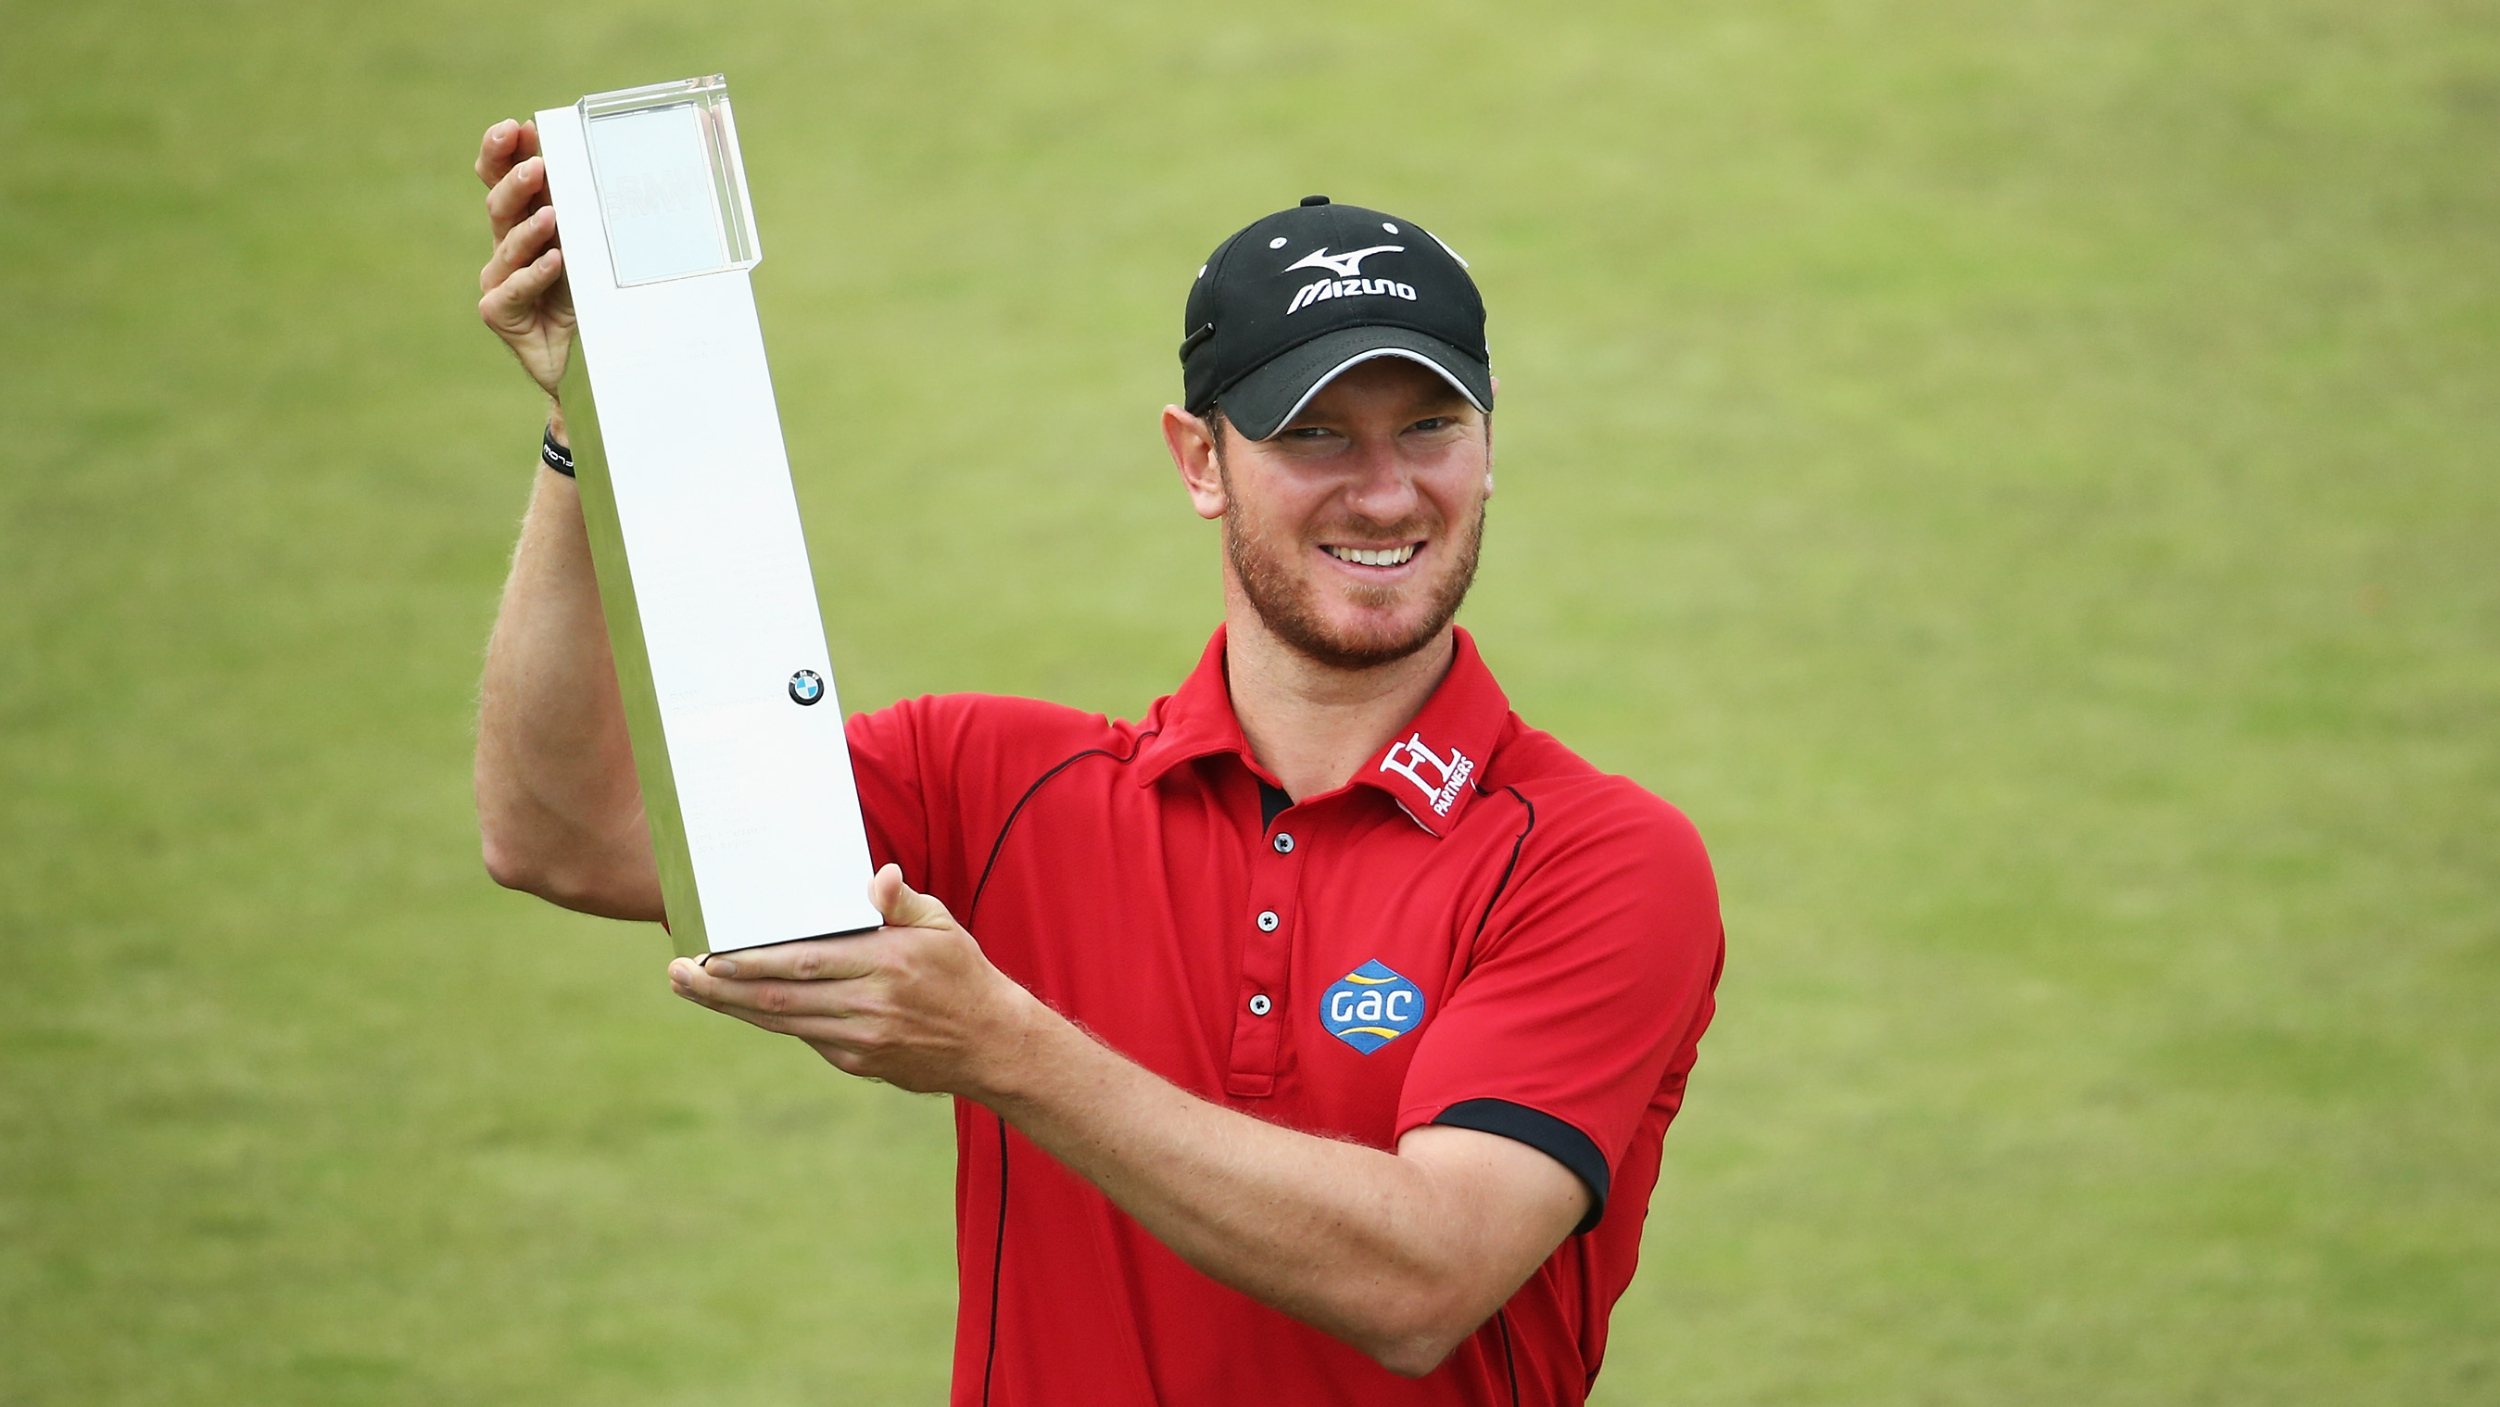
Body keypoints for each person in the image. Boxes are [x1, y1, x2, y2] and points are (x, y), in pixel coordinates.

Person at [469, 117, 1724, 1406]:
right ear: (1200, 463)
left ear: (1489, 443)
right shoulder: (987, 782)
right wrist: (594, 425)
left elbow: (1425, 1277)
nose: (1388, 491)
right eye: (1313, 436)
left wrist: (1005, 1048)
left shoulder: (1597, 858)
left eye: (1427, 426)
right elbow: (568, 836)